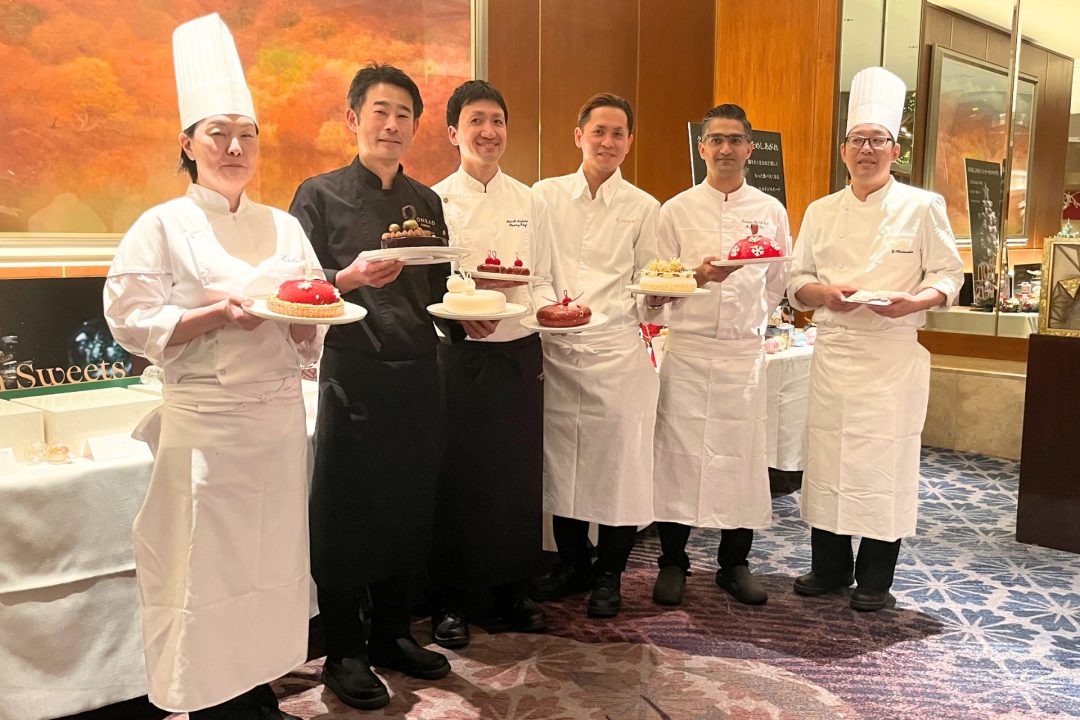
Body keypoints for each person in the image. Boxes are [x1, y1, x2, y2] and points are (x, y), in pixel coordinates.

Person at [103, 14, 323, 719]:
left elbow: (311, 313)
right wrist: (217, 315)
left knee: (272, 562)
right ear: (188, 143)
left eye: (246, 135)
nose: (234, 148)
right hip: (207, 430)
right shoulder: (161, 225)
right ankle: (210, 702)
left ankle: (259, 688)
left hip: (277, 424)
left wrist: (302, 323)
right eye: (218, 134)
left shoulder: (284, 226)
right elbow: (130, 321)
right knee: (205, 567)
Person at [288, 63, 452, 711]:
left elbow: (440, 290)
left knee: (407, 509)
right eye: (380, 111)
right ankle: (345, 652)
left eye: (403, 114)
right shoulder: (318, 196)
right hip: (353, 375)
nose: (392, 124)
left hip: (419, 372)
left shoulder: (427, 203)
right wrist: (348, 278)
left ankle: (393, 633)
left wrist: (471, 313)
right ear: (354, 119)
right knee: (346, 516)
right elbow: (295, 288)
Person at [786, 67, 964, 612]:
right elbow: (796, 281)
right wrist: (823, 293)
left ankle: (876, 578)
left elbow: (949, 275)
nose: (867, 150)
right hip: (835, 350)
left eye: (877, 140)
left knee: (884, 462)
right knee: (829, 458)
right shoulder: (821, 210)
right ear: (844, 151)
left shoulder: (923, 205)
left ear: (895, 150)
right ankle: (828, 567)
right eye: (858, 140)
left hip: (891, 356)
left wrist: (917, 302)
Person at [646, 104, 791, 607]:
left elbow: (777, 282)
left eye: (735, 140)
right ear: (701, 147)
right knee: (676, 459)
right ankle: (673, 562)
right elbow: (657, 284)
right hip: (687, 350)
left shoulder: (771, 211)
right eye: (717, 140)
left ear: (750, 148)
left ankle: (734, 564)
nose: (726, 149)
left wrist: (749, 320)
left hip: (741, 354)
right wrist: (700, 277)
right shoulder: (675, 210)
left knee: (742, 461)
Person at [427, 80, 549, 649]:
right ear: (454, 133)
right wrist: (459, 317)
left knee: (518, 474)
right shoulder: (434, 200)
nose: (489, 131)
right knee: (458, 474)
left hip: (520, 350)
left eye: (497, 120)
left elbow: (542, 276)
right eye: (476, 121)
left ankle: (514, 589)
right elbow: (430, 283)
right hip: (461, 353)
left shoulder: (529, 200)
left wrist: (546, 311)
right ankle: (451, 598)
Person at [529, 93, 660, 619]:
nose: (608, 141)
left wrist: (664, 296)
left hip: (618, 354)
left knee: (617, 468)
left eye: (618, 133)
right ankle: (573, 564)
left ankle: (610, 574)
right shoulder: (544, 196)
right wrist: (547, 308)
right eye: (598, 131)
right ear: (578, 135)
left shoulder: (644, 207)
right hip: (557, 351)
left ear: (630, 143)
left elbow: (650, 281)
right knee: (564, 465)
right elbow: (536, 272)